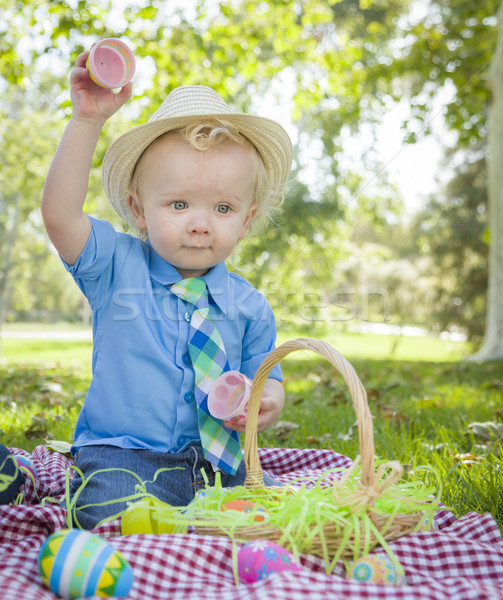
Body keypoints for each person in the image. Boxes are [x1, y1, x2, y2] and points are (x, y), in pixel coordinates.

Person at [41, 48, 293, 529]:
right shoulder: (115, 267)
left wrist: (267, 403)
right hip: (126, 457)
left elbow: (266, 378)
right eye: (178, 204)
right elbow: (60, 216)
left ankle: (201, 533)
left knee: (271, 521)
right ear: (139, 210)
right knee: (111, 516)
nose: (200, 225)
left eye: (222, 209)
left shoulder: (250, 306)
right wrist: (86, 122)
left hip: (219, 464)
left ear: (247, 220)